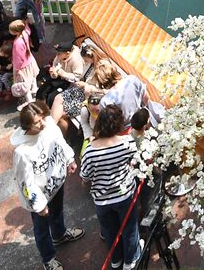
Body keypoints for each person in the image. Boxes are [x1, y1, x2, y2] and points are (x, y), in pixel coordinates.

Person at [12, 101, 83, 270]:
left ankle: (59, 234)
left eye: (43, 117)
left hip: (56, 181)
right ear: (27, 125)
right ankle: (48, 258)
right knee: (41, 228)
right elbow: (26, 183)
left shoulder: (48, 125)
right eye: (37, 122)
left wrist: (69, 158)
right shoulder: (22, 152)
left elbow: (59, 142)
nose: (43, 123)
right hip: (41, 195)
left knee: (58, 210)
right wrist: (38, 205)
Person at [79, 104, 140, 270]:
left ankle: (116, 259)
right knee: (129, 228)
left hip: (101, 200)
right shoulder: (126, 143)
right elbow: (134, 161)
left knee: (109, 231)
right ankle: (131, 259)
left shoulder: (90, 151)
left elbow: (85, 176)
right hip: (124, 194)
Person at [50, 41, 100, 137]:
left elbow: (100, 90)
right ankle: (50, 130)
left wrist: (85, 85)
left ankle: (55, 135)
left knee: (61, 115)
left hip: (88, 96)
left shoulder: (100, 69)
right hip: (80, 90)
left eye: (85, 60)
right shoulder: (88, 64)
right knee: (58, 98)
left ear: (91, 57)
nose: (84, 62)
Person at [10, 20, 39, 105]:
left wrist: (17, 69)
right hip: (29, 60)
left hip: (22, 67)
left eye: (11, 30)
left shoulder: (17, 43)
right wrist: (26, 23)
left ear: (16, 31)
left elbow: (18, 58)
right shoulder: (25, 33)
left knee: (24, 84)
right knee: (33, 77)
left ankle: (29, 100)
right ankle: (35, 89)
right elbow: (28, 30)